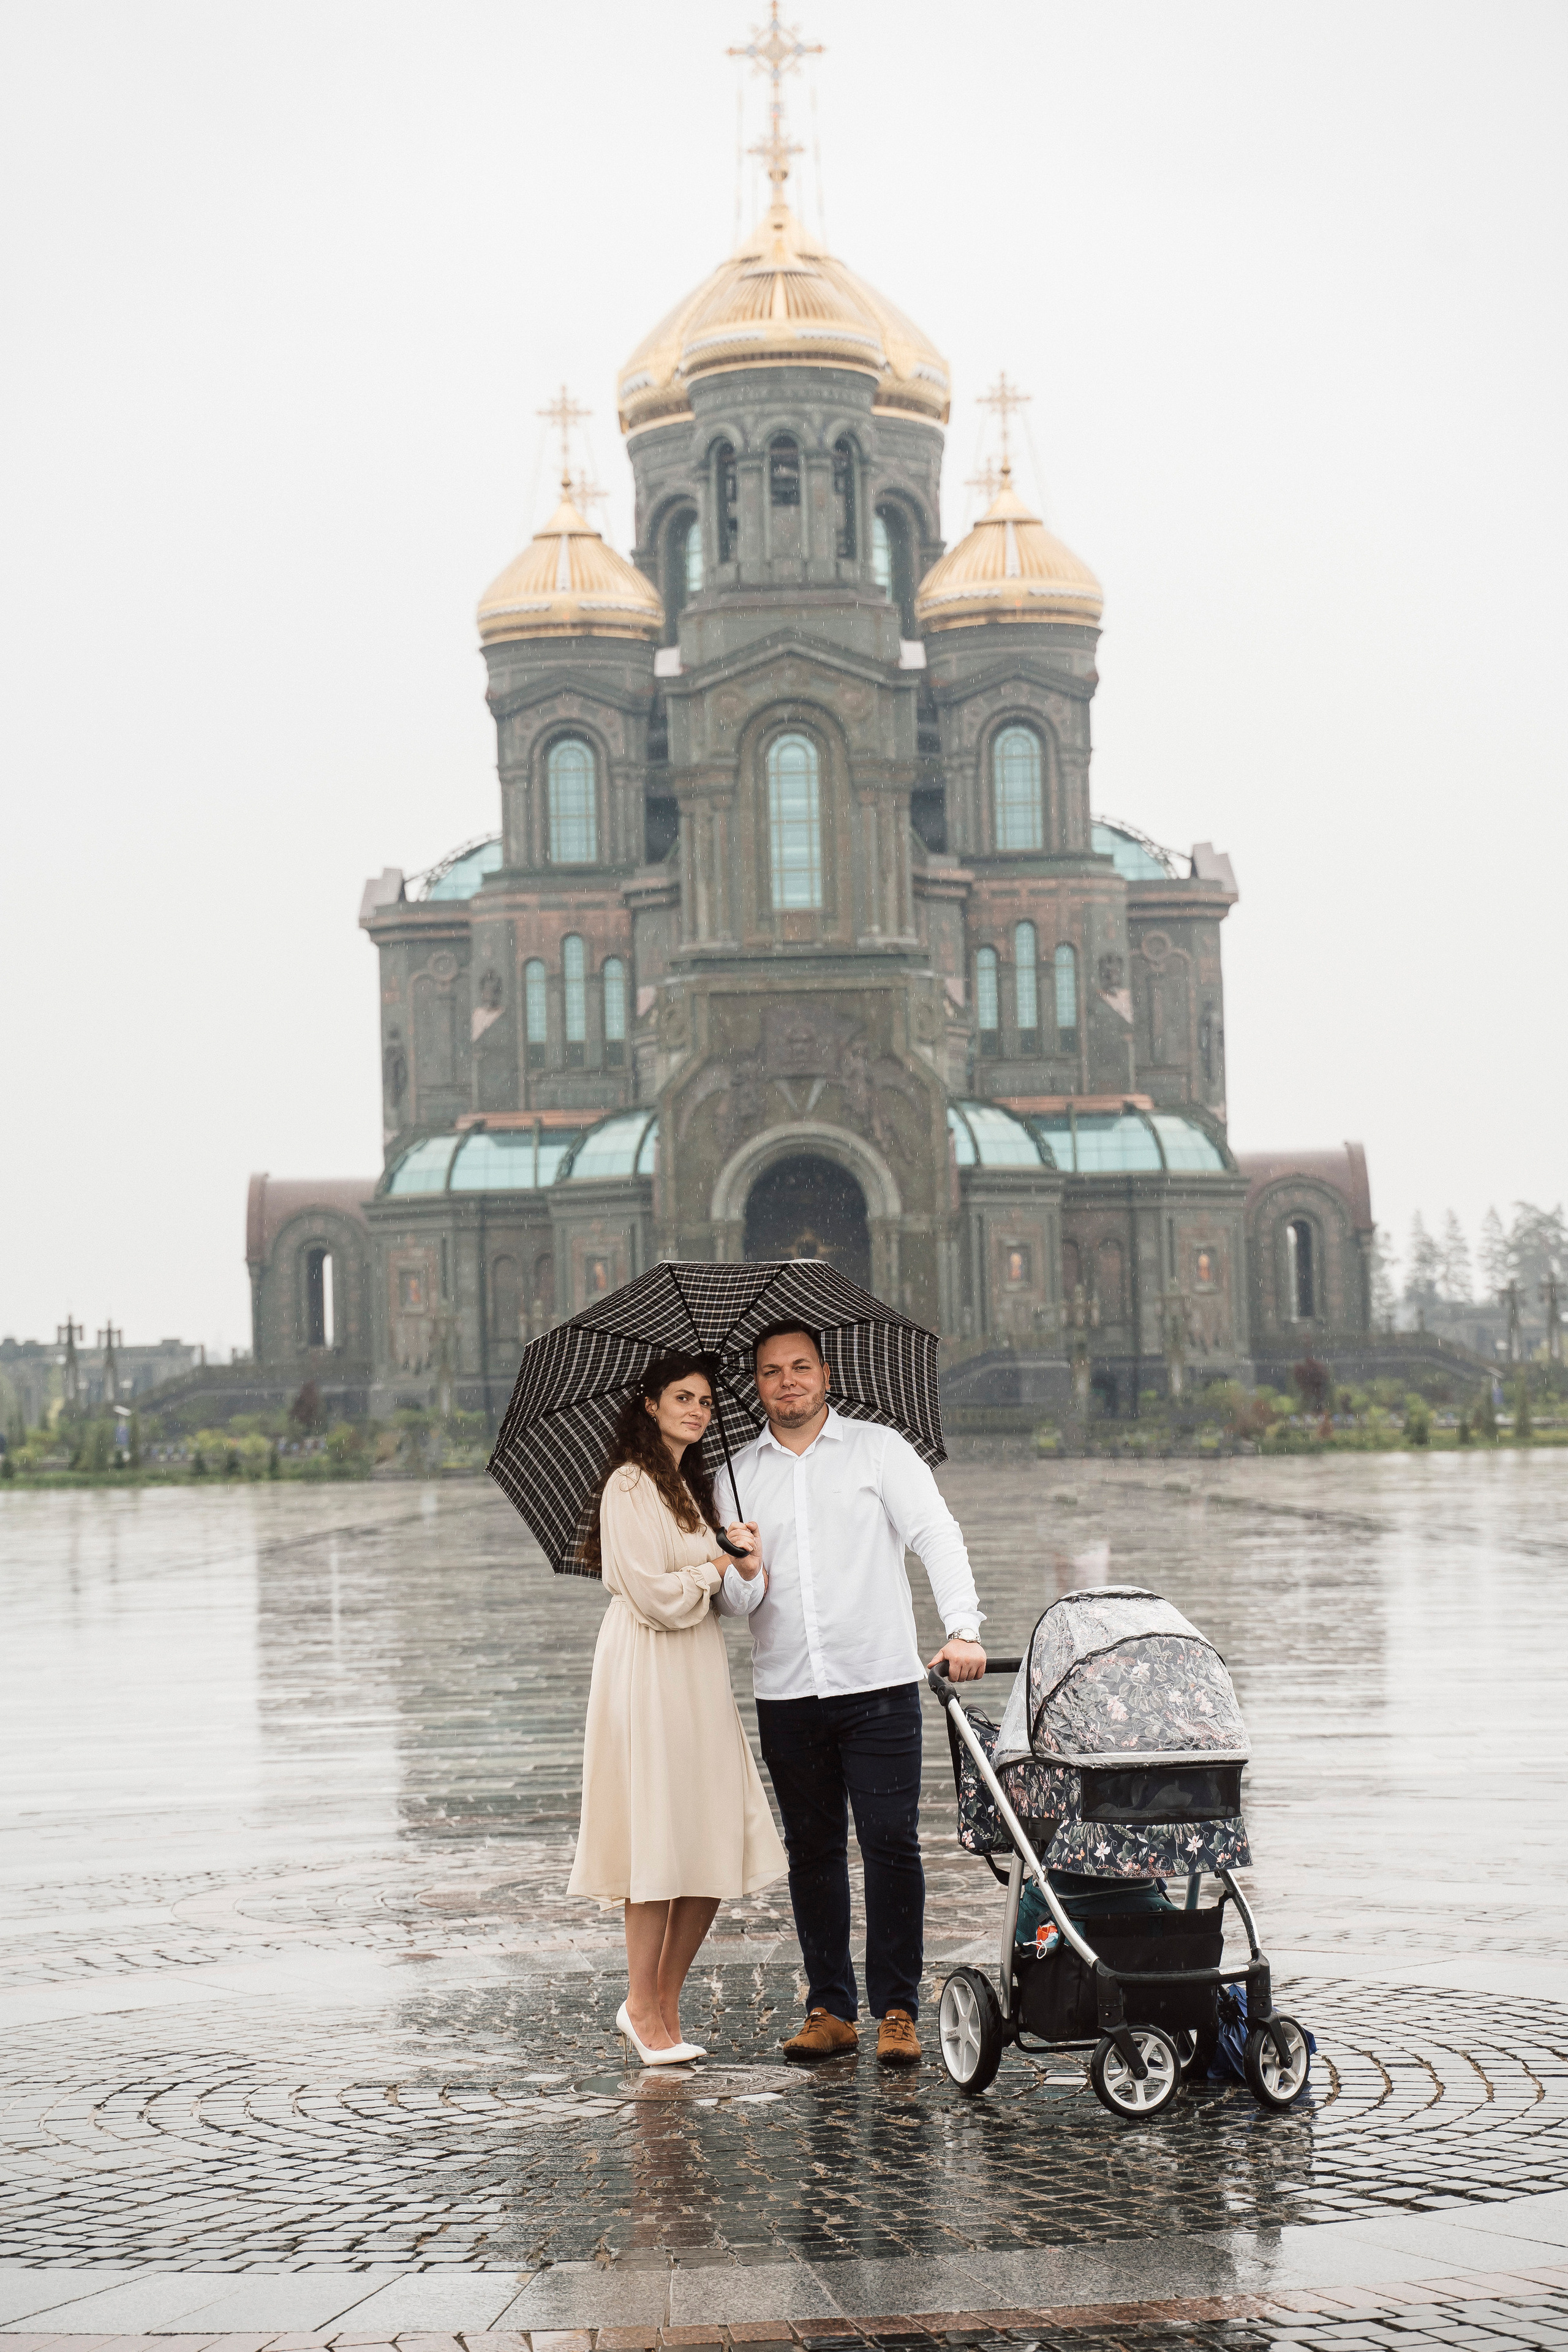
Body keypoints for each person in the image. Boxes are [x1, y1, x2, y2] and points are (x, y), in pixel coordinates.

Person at [715, 1321, 985, 2068]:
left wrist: (962, 1627)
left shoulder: (878, 1451)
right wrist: (742, 1571)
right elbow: (737, 1608)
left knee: (890, 1843)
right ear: (758, 1385)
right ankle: (829, 2008)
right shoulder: (734, 1477)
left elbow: (936, 1532)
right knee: (813, 1850)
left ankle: (896, 2009)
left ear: (825, 1375)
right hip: (787, 1690)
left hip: (880, 1685)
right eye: (771, 1371)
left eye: (800, 1367)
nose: (787, 1381)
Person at [568, 1351, 787, 2065]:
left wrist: (738, 1557)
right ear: (650, 1404)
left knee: (706, 1836)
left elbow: (703, 1590)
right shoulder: (629, 1485)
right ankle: (642, 2002)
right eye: (682, 1398)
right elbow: (654, 1595)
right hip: (646, 1666)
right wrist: (715, 1565)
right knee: (656, 1836)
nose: (697, 1410)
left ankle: (660, 2004)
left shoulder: (688, 1487)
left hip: (695, 1668)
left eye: (705, 1401)